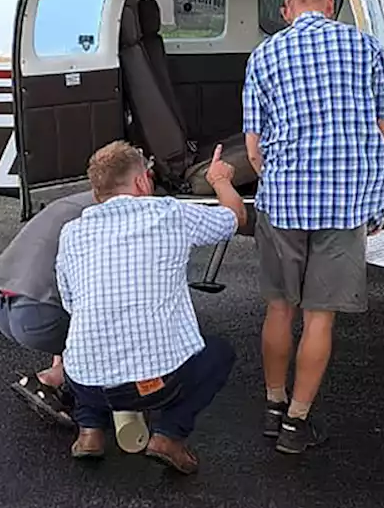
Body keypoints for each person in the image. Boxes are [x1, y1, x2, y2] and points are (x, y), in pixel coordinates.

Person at [242, 0, 384, 455]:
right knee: (319, 318)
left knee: (279, 307)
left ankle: (272, 404)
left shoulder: (265, 56)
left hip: (285, 201)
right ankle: (296, 424)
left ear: (287, 8)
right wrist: (376, 201)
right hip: (347, 203)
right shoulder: (367, 48)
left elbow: (254, 145)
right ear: (331, 3)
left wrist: (280, 181)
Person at [55, 140, 245, 475]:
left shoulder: (72, 233)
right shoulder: (169, 213)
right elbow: (235, 217)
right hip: (157, 384)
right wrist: (220, 181)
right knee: (220, 354)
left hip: (86, 384)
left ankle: (90, 431)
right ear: (143, 181)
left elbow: (71, 303)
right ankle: (169, 435)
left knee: (86, 342)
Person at [0, 189, 96, 426]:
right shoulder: (114, 216)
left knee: (64, 292)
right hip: (36, 315)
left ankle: (63, 374)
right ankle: (54, 379)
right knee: (125, 315)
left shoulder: (72, 202)